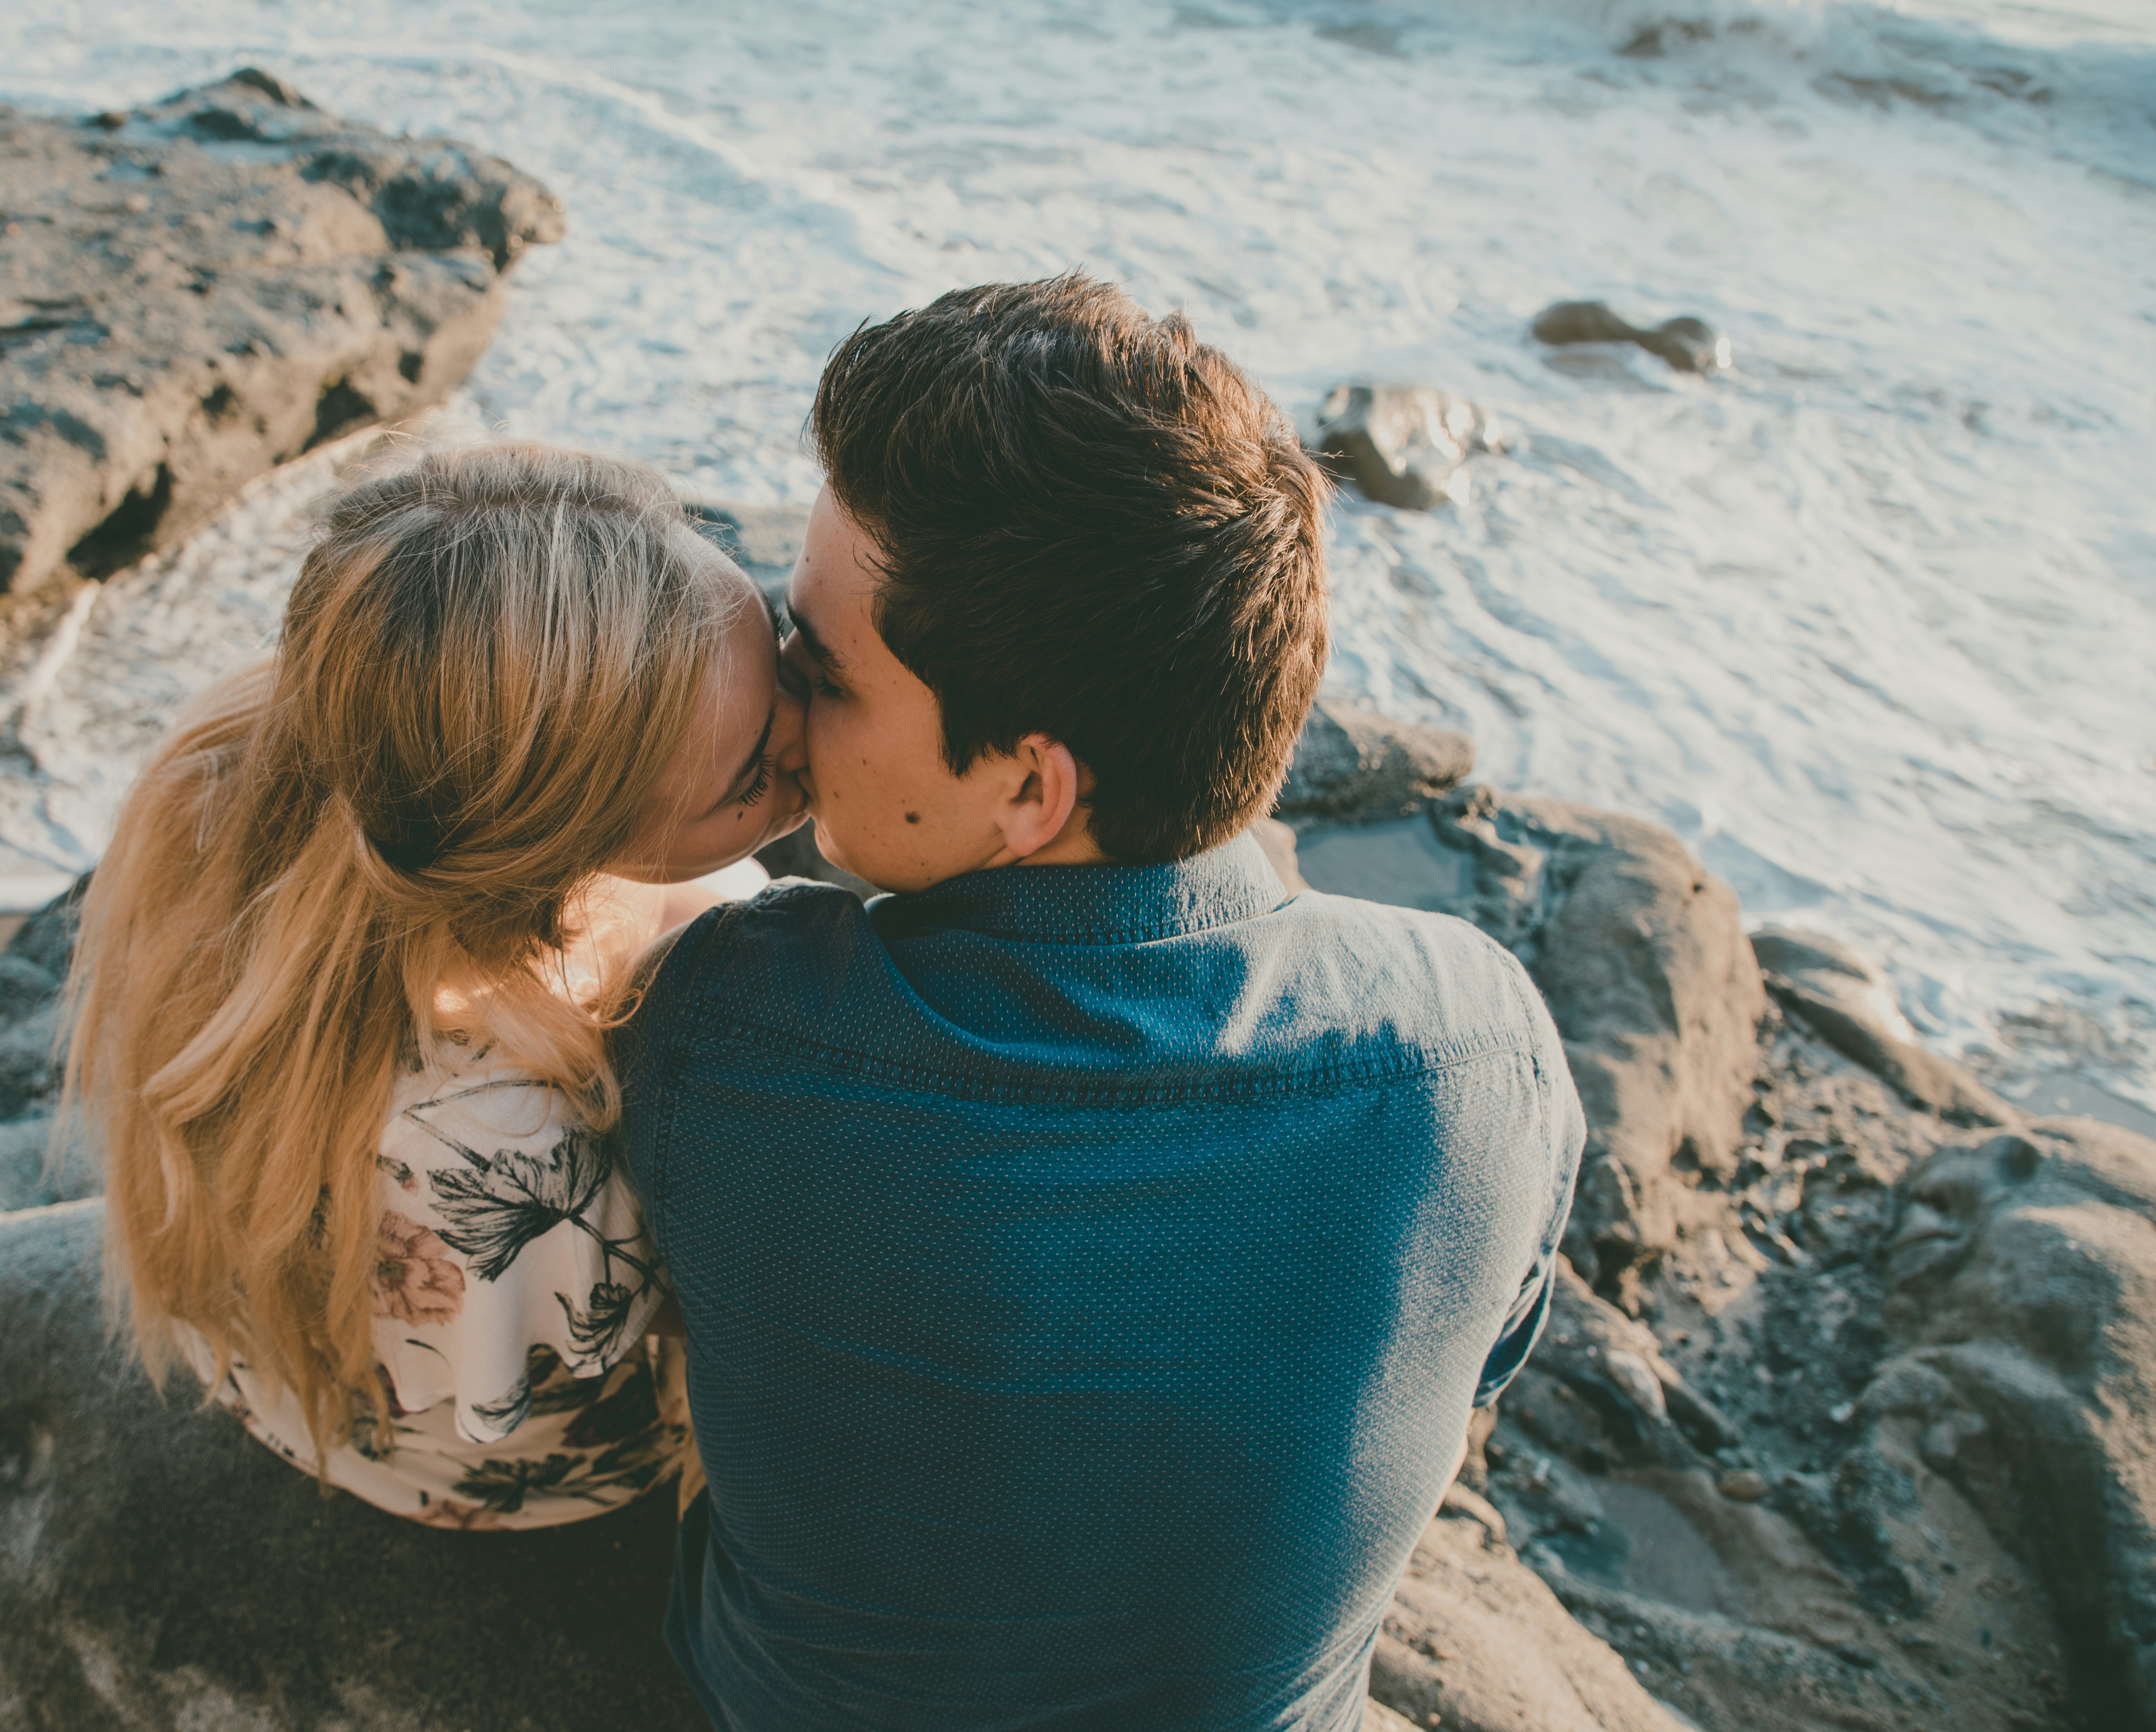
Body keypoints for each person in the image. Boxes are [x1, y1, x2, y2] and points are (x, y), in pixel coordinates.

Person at [614, 275, 1585, 1728]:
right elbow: (1482, 1356)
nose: (784, 703)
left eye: (825, 669)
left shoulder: (728, 1022)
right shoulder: (1476, 1043)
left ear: (1028, 787)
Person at [61, 443, 807, 1531]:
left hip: (291, 1366)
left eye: (782, 656)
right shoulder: (507, 1143)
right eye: (752, 774)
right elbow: (678, 1338)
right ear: (554, 854)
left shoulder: (248, 760)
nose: (810, 730)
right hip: (498, 1464)